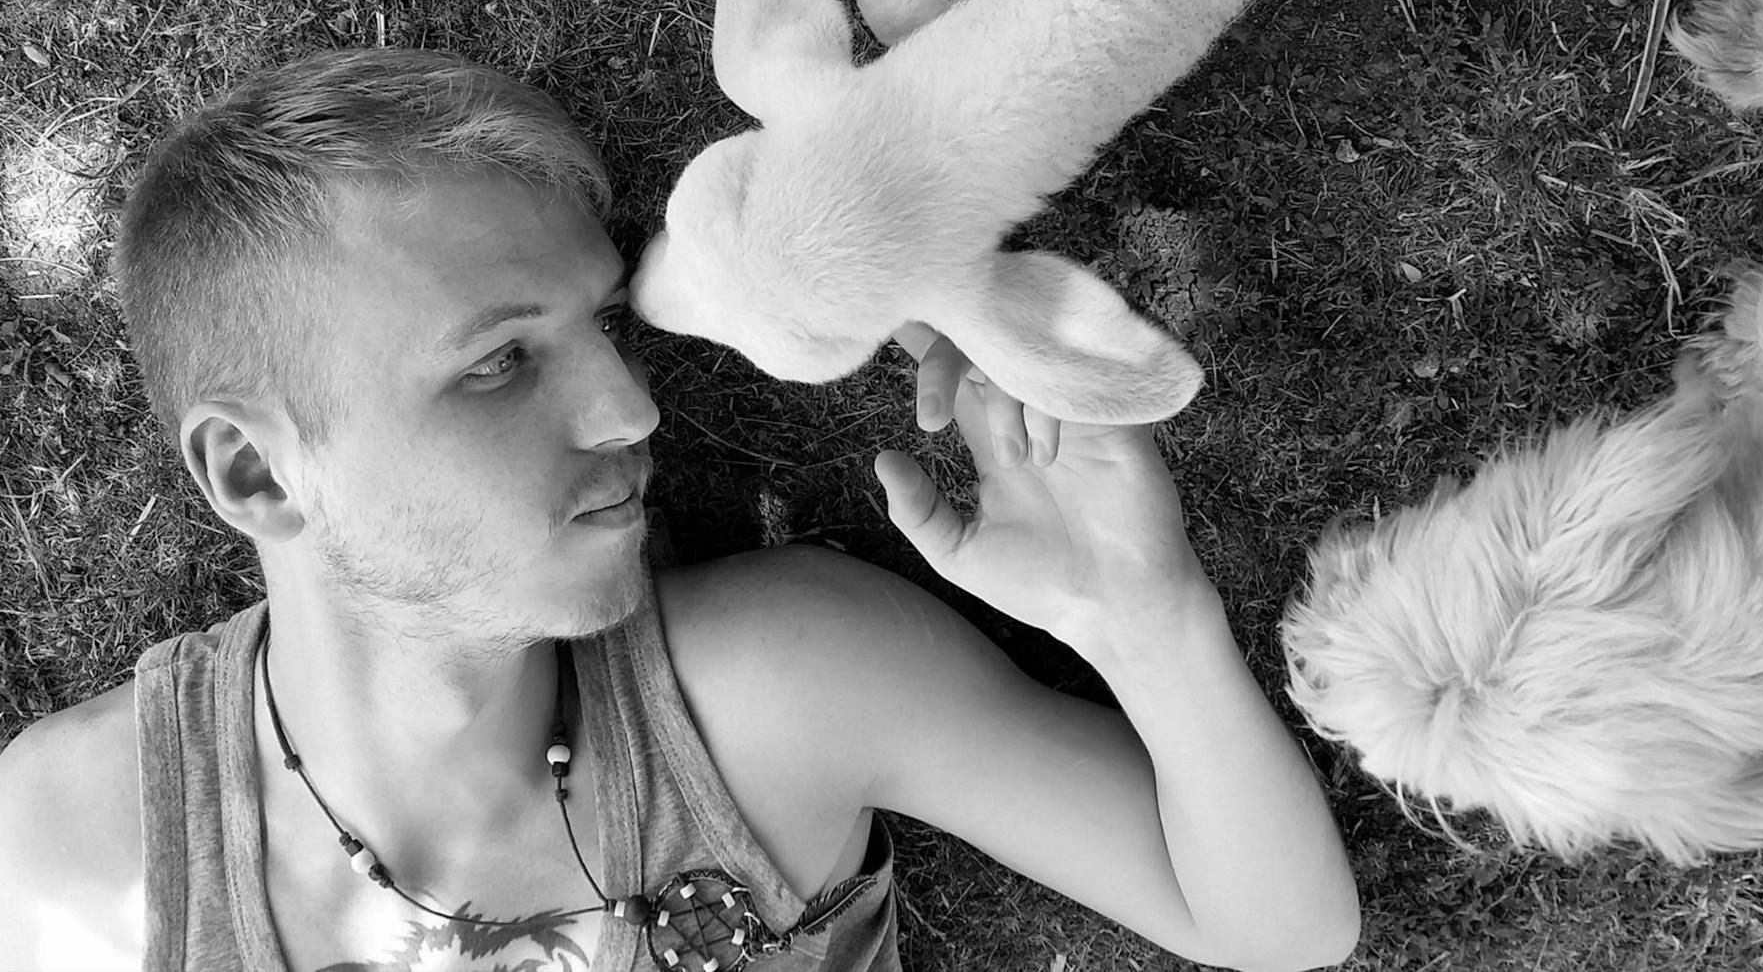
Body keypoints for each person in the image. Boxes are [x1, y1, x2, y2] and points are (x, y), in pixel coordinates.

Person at [0, 50, 1359, 972]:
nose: (632, 408)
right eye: (495, 363)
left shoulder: (778, 692)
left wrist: (1144, 619)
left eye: (601, 324)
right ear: (253, 473)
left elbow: (1274, 928)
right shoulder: (70, 865)